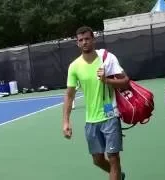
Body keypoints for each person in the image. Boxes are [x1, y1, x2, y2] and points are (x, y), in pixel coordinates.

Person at [62, 26, 129, 180]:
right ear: (77, 43)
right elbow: (70, 95)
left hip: (111, 115)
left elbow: (126, 81)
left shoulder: (107, 58)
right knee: (97, 160)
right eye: (81, 40)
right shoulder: (74, 66)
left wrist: (107, 80)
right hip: (91, 120)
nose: (84, 42)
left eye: (87, 38)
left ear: (93, 39)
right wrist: (66, 121)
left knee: (113, 157)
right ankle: (118, 175)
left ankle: (115, 173)